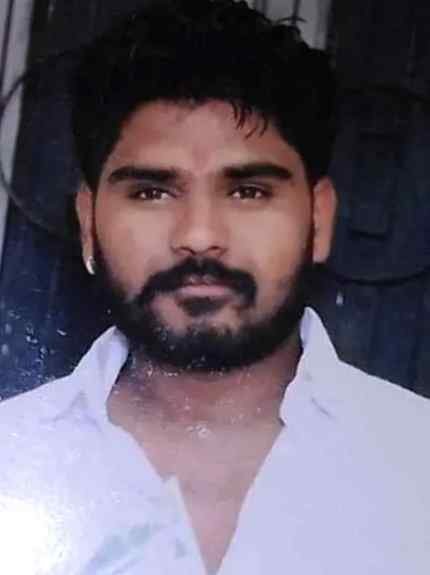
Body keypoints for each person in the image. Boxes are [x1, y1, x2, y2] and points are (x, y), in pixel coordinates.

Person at [1, 1, 429, 573]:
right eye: (151, 192)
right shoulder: (12, 460)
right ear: (88, 223)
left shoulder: (416, 466)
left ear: (320, 219)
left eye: (249, 191)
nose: (199, 237)